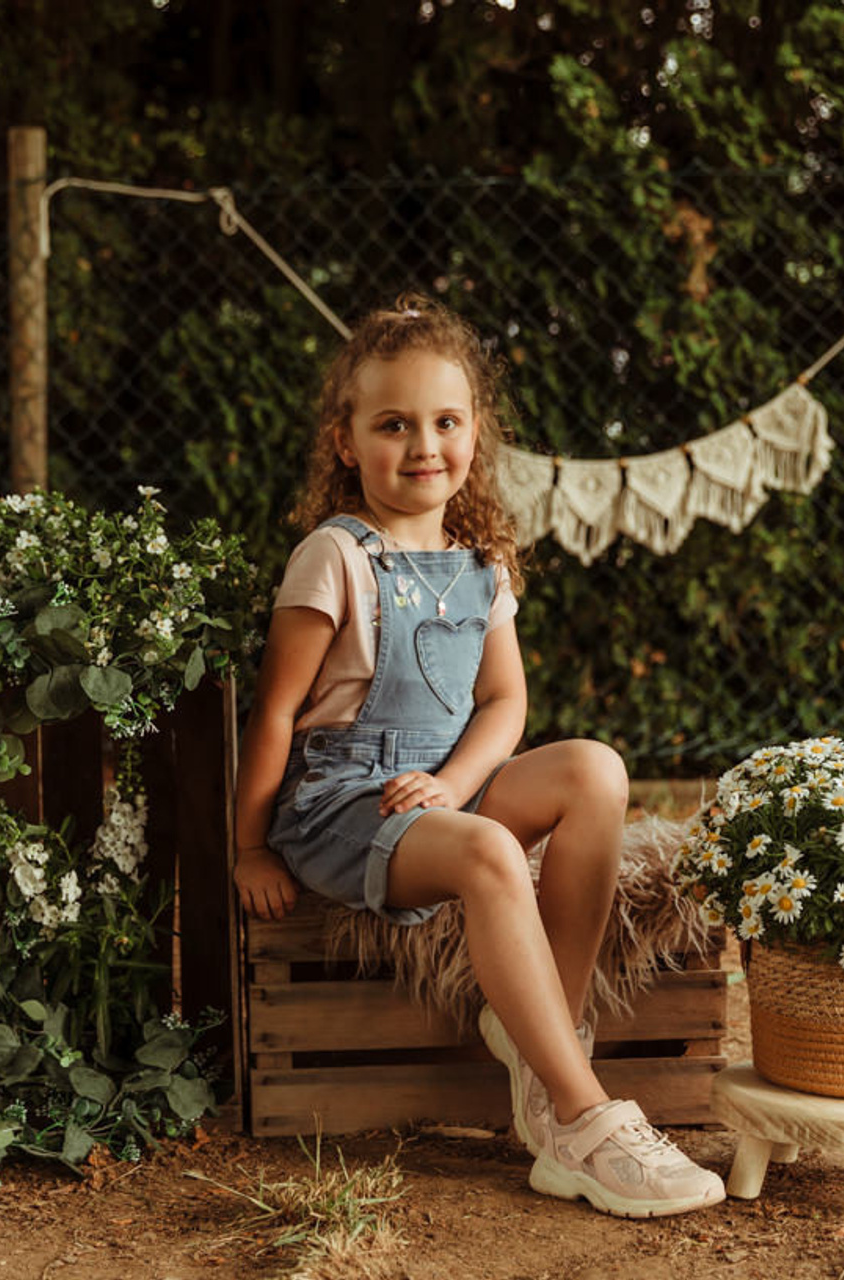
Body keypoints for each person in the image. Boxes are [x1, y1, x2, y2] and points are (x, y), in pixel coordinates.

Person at [233, 294, 724, 1218]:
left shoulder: (479, 564)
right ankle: (582, 1120)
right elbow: (273, 717)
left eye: (445, 422)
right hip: (348, 807)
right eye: (394, 424)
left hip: (440, 793)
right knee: (494, 853)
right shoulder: (333, 558)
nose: (424, 445)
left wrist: (456, 785)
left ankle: (542, 1046)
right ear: (346, 443)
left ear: (475, 435)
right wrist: (250, 845)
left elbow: (505, 702)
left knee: (596, 769)